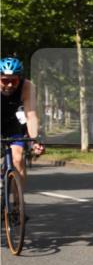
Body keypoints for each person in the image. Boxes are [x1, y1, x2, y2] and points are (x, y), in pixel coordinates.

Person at [1, 57, 45, 187]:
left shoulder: (27, 86)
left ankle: (16, 203)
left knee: (18, 158)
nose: (9, 85)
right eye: (4, 80)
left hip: (14, 124)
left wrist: (35, 140)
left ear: (19, 78)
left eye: (13, 81)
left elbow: (31, 115)